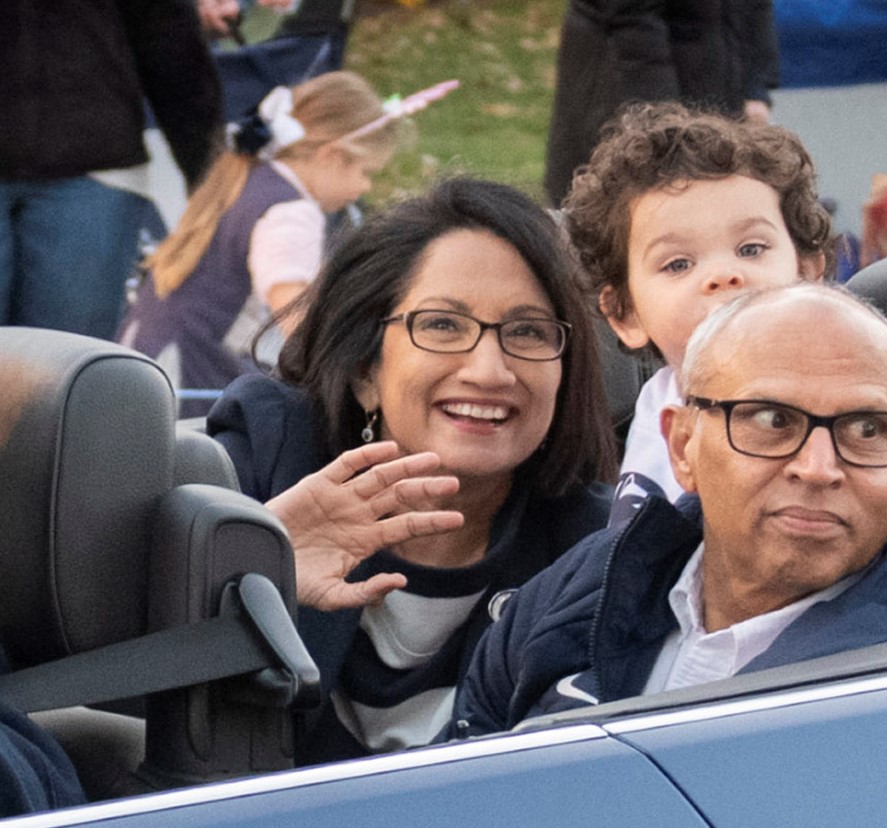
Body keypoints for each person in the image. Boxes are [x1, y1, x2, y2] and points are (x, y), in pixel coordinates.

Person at [449, 284, 887, 735]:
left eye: (868, 429)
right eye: (771, 420)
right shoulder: (578, 590)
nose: (819, 468)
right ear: (683, 445)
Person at [205, 175, 618, 764]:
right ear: (365, 372)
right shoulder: (259, 468)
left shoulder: (599, 552)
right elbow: (113, 705)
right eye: (443, 325)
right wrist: (249, 582)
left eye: (527, 331)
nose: (489, 370)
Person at [562, 102, 832, 525]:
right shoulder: (657, 407)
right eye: (678, 264)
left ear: (807, 273)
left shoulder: (842, 402)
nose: (724, 275)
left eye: (751, 249)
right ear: (625, 314)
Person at [119, 72, 398, 419]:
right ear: (332, 156)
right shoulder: (291, 211)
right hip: (193, 376)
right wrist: (355, 378)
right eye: (366, 172)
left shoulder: (251, 179)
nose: (364, 187)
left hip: (149, 358)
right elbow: (296, 315)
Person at [1, 0, 223, 341]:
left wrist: (213, 181)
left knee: (69, 369)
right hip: (93, 163)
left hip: (93, 166)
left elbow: (169, 37)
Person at [542, 1, 781, 207]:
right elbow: (630, 20)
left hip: (713, 86)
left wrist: (755, 86)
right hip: (626, 87)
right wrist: (665, 126)